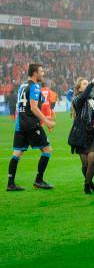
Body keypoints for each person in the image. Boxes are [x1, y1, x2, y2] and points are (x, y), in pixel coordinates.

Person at [7, 63, 55, 191]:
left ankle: (10, 183)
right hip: (31, 125)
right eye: (41, 71)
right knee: (47, 150)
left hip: (20, 124)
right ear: (35, 73)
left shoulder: (22, 86)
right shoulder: (34, 86)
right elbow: (33, 107)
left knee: (17, 152)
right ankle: (39, 180)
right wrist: (47, 121)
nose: (43, 73)